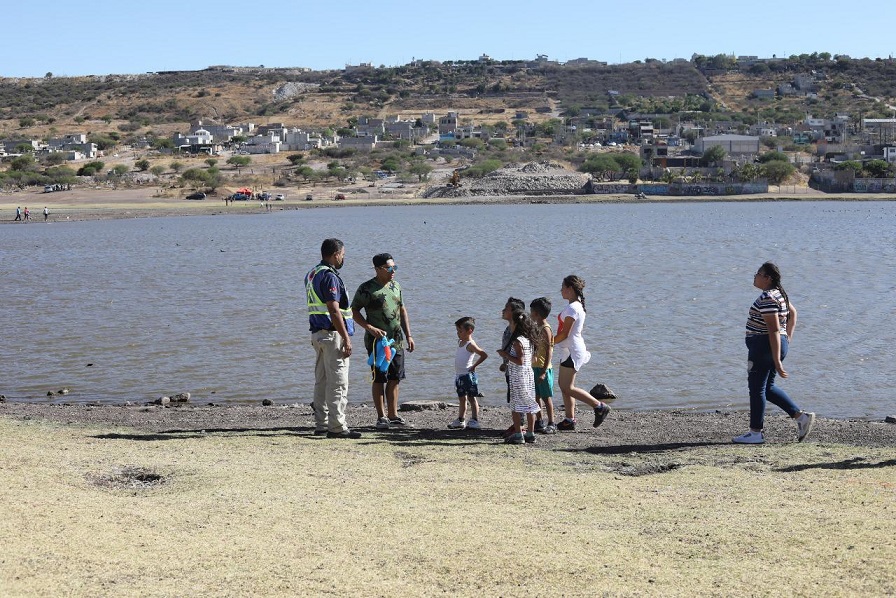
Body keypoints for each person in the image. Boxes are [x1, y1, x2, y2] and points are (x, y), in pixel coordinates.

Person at [733, 262, 815, 444]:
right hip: (772, 346)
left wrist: (777, 359)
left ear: (767, 278)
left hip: (764, 347)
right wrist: (788, 339)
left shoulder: (768, 298)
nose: (755, 276)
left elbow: (774, 331)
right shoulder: (779, 294)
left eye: (758, 273)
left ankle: (755, 433)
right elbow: (793, 314)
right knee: (767, 389)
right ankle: (801, 418)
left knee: (756, 389)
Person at [351, 252, 415, 430]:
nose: (393, 270)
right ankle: (381, 417)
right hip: (376, 342)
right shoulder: (366, 288)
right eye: (389, 268)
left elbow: (402, 311)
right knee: (379, 378)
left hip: (397, 340)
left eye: (395, 267)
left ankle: (393, 415)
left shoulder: (396, 286)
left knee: (395, 377)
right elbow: (354, 311)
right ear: (378, 269)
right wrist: (369, 327)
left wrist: (408, 335)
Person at [305, 238, 360, 439]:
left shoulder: (312, 274)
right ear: (336, 254)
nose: (343, 258)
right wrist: (346, 338)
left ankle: (322, 423)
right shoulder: (329, 276)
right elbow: (334, 309)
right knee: (338, 381)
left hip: (318, 334)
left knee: (321, 380)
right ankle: (337, 427)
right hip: (332, 335)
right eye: (343, 255)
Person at [553, 275, 611, 431]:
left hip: (572, 351)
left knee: (568, 387)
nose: (561, 290)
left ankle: (599, 406)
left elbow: (565, 333)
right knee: (564, 386)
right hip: (568, 350)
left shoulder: (573, 308)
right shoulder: (575, 306)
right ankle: (569, 419)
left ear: (570, 289)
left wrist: (549, 342)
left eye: (563, 287)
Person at [497, 305, 541, 444]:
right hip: (528, 376)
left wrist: (505, 355)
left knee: (516, 406)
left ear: (516, 323)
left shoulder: (518, 341)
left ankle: (518, 434)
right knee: (529, 405)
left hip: (518, 376)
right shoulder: (529, 340)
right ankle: (530, 433)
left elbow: (520, 361)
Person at [448, 317, 488, 430]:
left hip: (468, 375)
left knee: (471, 398)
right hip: (459, 375)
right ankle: (461, 419)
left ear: (470, 330)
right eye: (457, 331)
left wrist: (474, 366)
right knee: (462, 398)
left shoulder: (470, 344)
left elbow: (484, 355)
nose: (458, 333)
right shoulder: (460, 342)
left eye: (460, 331)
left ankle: (474, 420)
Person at [530, 297, 557, 434]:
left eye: (531, 312)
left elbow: (549, 351)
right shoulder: (536, 327)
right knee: (536, 396)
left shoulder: (546, 329)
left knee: (546, 397)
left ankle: (552, 422)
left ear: (537, 314)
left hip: (543, 367)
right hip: (534, 366)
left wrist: (544, 371)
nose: (530, 314)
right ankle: (539, 421)